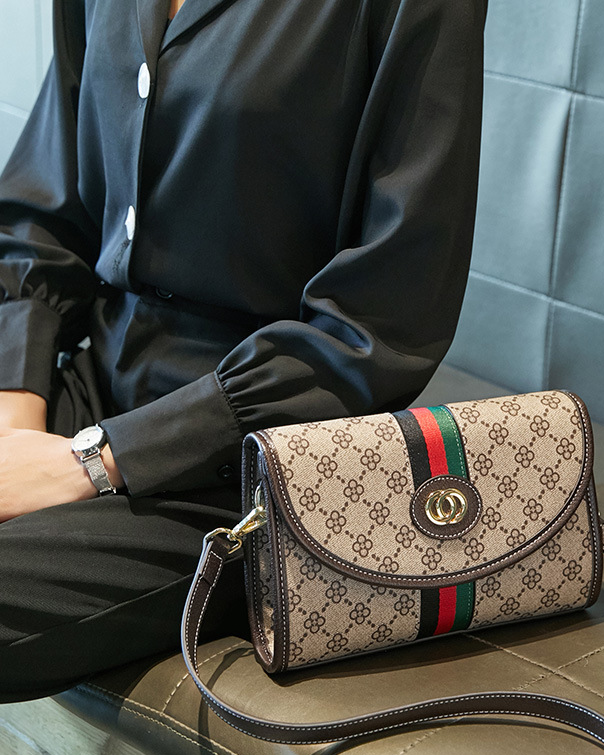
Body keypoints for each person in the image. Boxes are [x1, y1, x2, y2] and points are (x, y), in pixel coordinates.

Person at [0, 0, 486, 701]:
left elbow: (378, 326)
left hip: (248, 459)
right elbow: (45, 213)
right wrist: (14, 416)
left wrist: (91, 464)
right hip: (93, 381)